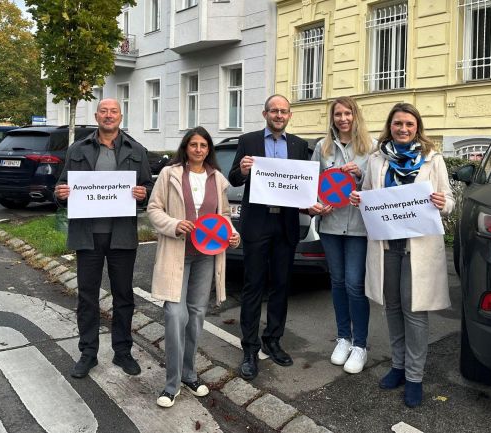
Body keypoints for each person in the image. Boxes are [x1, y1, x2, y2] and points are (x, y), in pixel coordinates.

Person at [349, 102, 453, 407]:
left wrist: (441, 203)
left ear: (417, 127)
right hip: (386, 248)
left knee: (415, 311)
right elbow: (368, 193)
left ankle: (415, 377)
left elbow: (450, 200)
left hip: (417, 248)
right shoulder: (376, 159)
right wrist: (359, 199)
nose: (403, 129)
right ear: (390, 127)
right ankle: (397, 366)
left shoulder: (432, 159)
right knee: (392, 307)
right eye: (398, 124)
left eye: (409, 124)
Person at [54, 98, 153, 379]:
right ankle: (88, 352)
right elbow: (61, 185)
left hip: (122, 234)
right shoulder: (77, 149)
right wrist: (60, 193)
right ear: (97, 116)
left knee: (123, 295)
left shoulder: (137, 150)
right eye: (104, 111)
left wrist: (143, 194)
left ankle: (122, 352)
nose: (109, 116)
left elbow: (147, 186)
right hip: (88, 235)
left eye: (114, 111)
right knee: (87, 296)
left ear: (121, 116)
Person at [147, 126, 241, 408]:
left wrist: (232, 233)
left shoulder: (217, 179)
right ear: (186, 148)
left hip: (206, 256)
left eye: (203, 145)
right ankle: (171, 384)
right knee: (175, 315)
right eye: (193, 145)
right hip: (177, 252)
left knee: (197, 314)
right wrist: (174, 225)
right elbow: (154, 209)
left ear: (208, 149)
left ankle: (189, 374)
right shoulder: (170, 174)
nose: (198, 149)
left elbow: (223, 215)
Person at [228, 94, 311, 380]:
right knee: (253, 285)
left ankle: (273, 339)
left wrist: (312, 201)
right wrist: (242, 170)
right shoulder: (248, 141)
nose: (279, 115)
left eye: (283, 111)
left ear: (289, 116)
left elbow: (305, 184)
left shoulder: (299, 145)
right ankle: (249, 348)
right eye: (274, 110)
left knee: (281, 285)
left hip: (286, 223)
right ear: (265, 114)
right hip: (258, 222)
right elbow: (233, 178)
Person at [309, 96, 375, 374]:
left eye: (348, 113)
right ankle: (343, 338)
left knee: (354, 285)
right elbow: (310, 184)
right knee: (337, 283)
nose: (343, 118)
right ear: (333, 118)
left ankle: (360, 345)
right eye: (338, 114)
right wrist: (314, 204)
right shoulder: (322, 148)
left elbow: (377, 187)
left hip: (359, 228)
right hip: (331, 225)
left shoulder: (370, 148)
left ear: (355, 116)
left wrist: (359, 175)